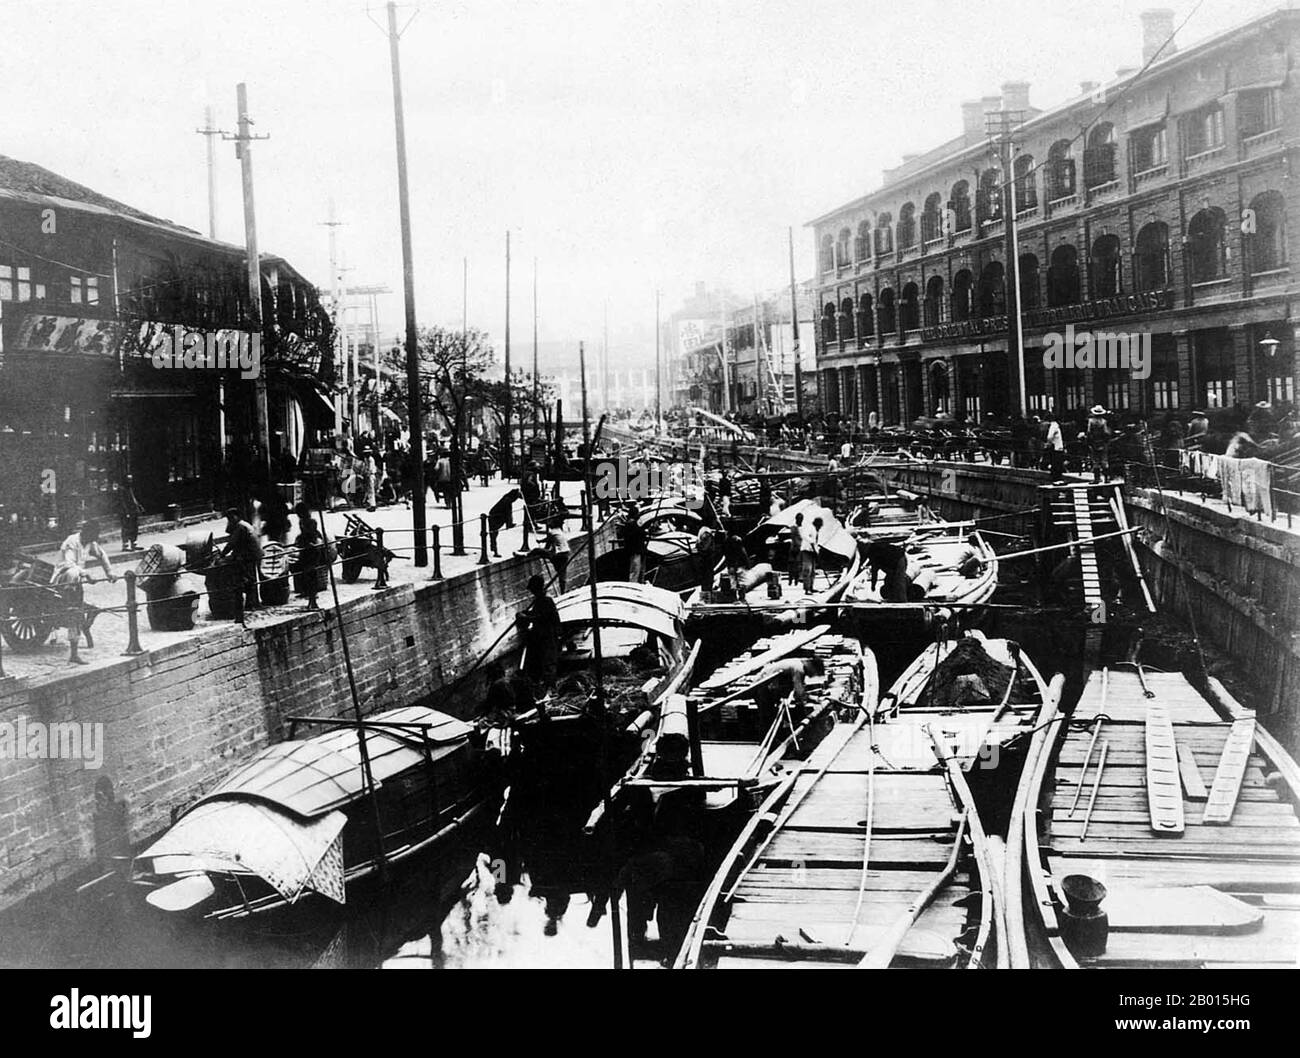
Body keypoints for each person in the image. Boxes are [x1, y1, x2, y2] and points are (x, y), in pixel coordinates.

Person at [53, 520, 116, 664]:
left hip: (76, 583)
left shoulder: (90, 542)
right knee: (74, 611)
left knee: (76, 613)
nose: (94, 539)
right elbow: (69, 564)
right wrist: (86, 574)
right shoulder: (72, 541)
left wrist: (109, 572)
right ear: (85, 532)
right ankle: (74, 654)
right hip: (62, 580)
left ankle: (74, 653)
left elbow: (102, 555)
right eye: (93, 535)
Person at [517, 573, 561, 690]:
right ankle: (544, 685)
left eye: (533, 590)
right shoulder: (540, 600)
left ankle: (551, 689)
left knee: (549, 662)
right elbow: (537, 614)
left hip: (548, 636)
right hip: (542, 636)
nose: (532, 592)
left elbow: (542, 618)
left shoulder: (546, 601)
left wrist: (526, 618)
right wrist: (525, 614)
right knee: (541, 661)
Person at [220, 507, 264, 610]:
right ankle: (251, 603)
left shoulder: (240, 527)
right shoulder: (244, 524)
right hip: (252, 554)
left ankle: (250, 604)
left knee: (247, 579)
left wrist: (222, 554)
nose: (230, 520)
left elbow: (232, 543)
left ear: (236, 516)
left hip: (249, 556)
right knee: (251, 579)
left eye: (231, 518)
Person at [291, 515, 330, 610]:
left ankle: (312, 601)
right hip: (309, 561)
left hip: (311, 562)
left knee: (309, 577)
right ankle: (310, 598)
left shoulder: (314, 537)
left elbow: (317, 549)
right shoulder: (307, 536)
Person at [864, 538, 910, 603]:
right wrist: (873, 585)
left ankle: (902, 601)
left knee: (899, 582)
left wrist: (873, 586)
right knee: (888, 580)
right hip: (893, 563)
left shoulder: (874, 554)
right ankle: (892, 597)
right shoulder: (874, 552)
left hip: (899, 559)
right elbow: (874, 573)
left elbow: (874, 573)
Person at [115, 475, 144, 552]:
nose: (130, 481)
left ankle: (134, 544)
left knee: (134, 527)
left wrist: (139, 506)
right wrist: (126, 512)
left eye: (131, 479)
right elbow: (122, 502)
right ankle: (125, 545)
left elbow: (133, 498)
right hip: (125, 512)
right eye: (128, 480)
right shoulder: (121, 489)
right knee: (126, 528)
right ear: (125, 480)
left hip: (133, 510)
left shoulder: (130, 488)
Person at [544, 515, 571, 592]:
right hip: (566, 553)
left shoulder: (551, 532)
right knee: (562, 573)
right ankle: (563, 591)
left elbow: (547, 546)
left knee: (537, 550)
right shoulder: (559, 531)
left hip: (559, 554)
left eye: (550, 522)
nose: (549, 523)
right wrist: (541, 541)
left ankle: (526, 554)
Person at [1085, 405, 1112, 483]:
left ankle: (1097, 479)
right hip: (1103, 442)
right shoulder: (1103, 421)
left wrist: (1089, 440)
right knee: (1104, 460)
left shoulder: (1091, 421)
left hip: (1094, 442)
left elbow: (1089, 432)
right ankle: (1106, 478)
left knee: (1095, 461)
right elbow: (1106, 432)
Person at [623, 507, 648, 583]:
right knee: (635, 570)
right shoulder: (632, 525)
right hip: (636, 551)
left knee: (639, 570)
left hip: (637, 550)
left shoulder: (630, 525)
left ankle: (639, 583)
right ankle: (634, 584)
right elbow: (640, 534)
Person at [723, 531, 750, 599]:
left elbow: (726, 555)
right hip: (740, 565)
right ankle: (742, 597)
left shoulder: (726, 542)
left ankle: (733, 597)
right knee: (742, 582)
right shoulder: (738, 541)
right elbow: (744, 554)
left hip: (731, 565)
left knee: (732, 582)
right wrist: (747, 563)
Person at [798, 514, 819, 593]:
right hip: (806, 550)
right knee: (807, 569)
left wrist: (817, 550)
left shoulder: (816, 529)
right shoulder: (808, 527)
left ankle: (811, 587)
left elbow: (816, 541)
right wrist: (812, 542)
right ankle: (807, 589)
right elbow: (804, 536)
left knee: (813, 570)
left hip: (812, 551)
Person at [1044, 411, 1066, 481]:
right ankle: (1058, 478)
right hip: (1059, 447)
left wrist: (1048, 443)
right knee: (1058, 464)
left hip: (1055, 447)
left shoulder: (1053, 426)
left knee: (1055, 464)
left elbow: (1049, 437)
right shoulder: (1056, 425)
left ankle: (1056, 478)